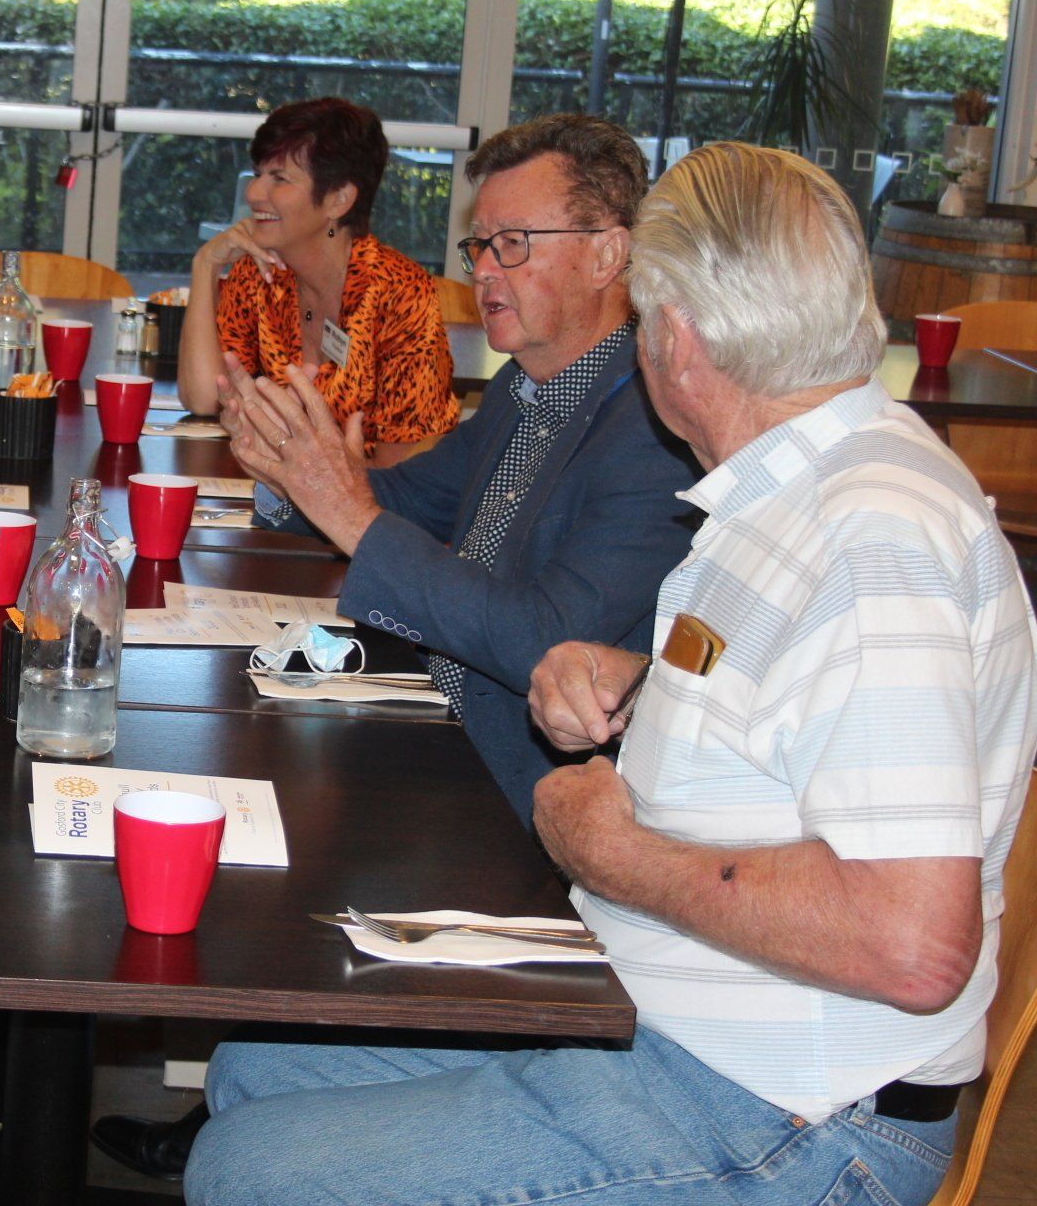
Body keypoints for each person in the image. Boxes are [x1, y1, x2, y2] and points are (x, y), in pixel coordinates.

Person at [184, 143, 1037, 1206]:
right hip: (656, 1006)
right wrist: (637, 683)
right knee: (255, 1068)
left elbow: (911, 943)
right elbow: (788, 703)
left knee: (247, 1168)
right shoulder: (786, 485)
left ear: (675, 335)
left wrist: (614, 851)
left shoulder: (876, 539)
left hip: (787, 1104)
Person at [91, 113, 702, 1183]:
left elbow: (545, 638)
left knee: (246, 831)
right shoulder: (530, 388)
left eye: (513, 244)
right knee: (199, 736)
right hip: (439, 733)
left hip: (516, 800)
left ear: (611, 253)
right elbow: (408, 497)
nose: (484, 271)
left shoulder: (651, 432)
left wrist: (349, 511)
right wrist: (288, 469)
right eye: (479, 244)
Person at [177, 97, 459, 464]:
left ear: (338, 200)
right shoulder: (261, 271)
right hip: (278, 487)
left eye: (279, 178)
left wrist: (305, 474)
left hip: (367, 494)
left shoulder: (400, 294)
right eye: (259, 173)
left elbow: (403, 466)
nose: (253, 193)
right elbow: (204, 398)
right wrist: (205, 265)